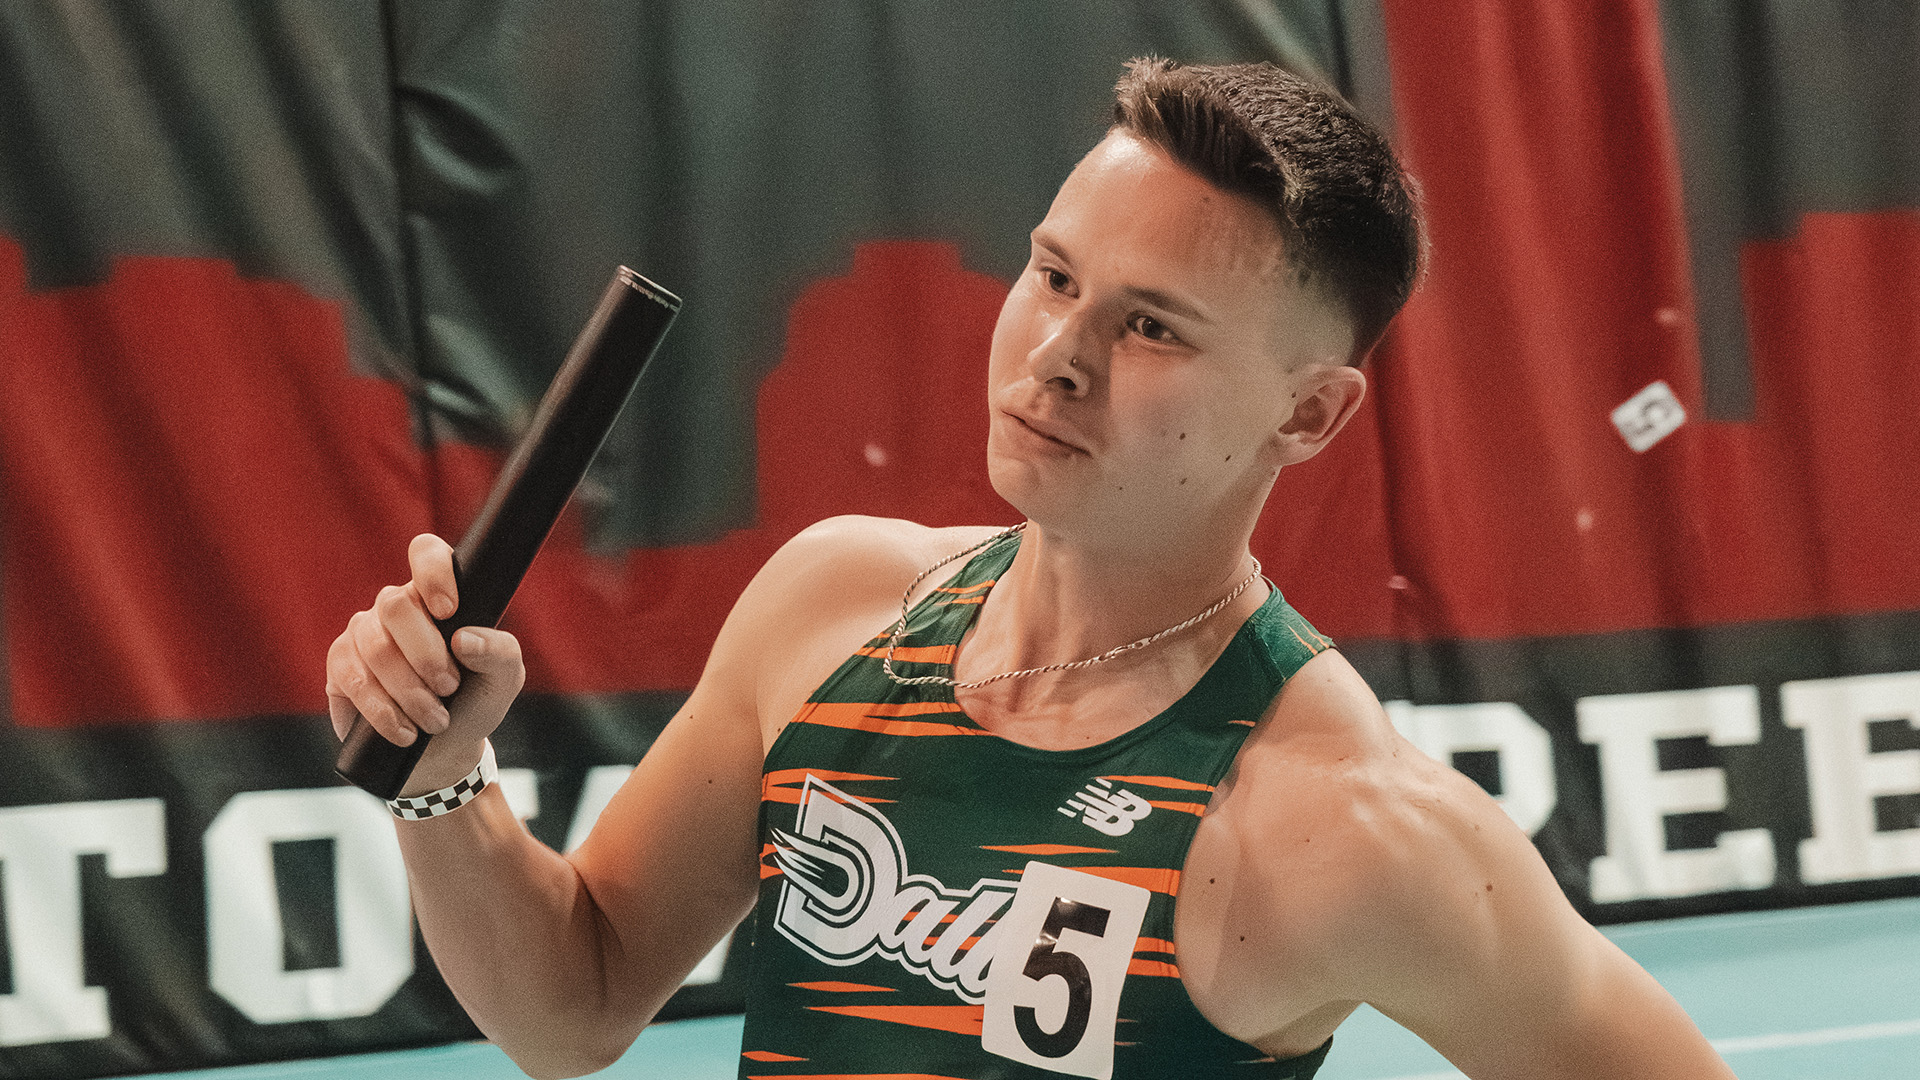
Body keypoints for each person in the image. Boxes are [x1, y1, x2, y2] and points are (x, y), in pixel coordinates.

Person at [327, 58, 1736, 1080]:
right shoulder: (835, 606)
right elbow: (570, 1005)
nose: (1057, 354)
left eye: (1152, 327)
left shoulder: (1341, 829)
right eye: (1054, 276)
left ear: (1308, 414)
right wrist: (445, 778)